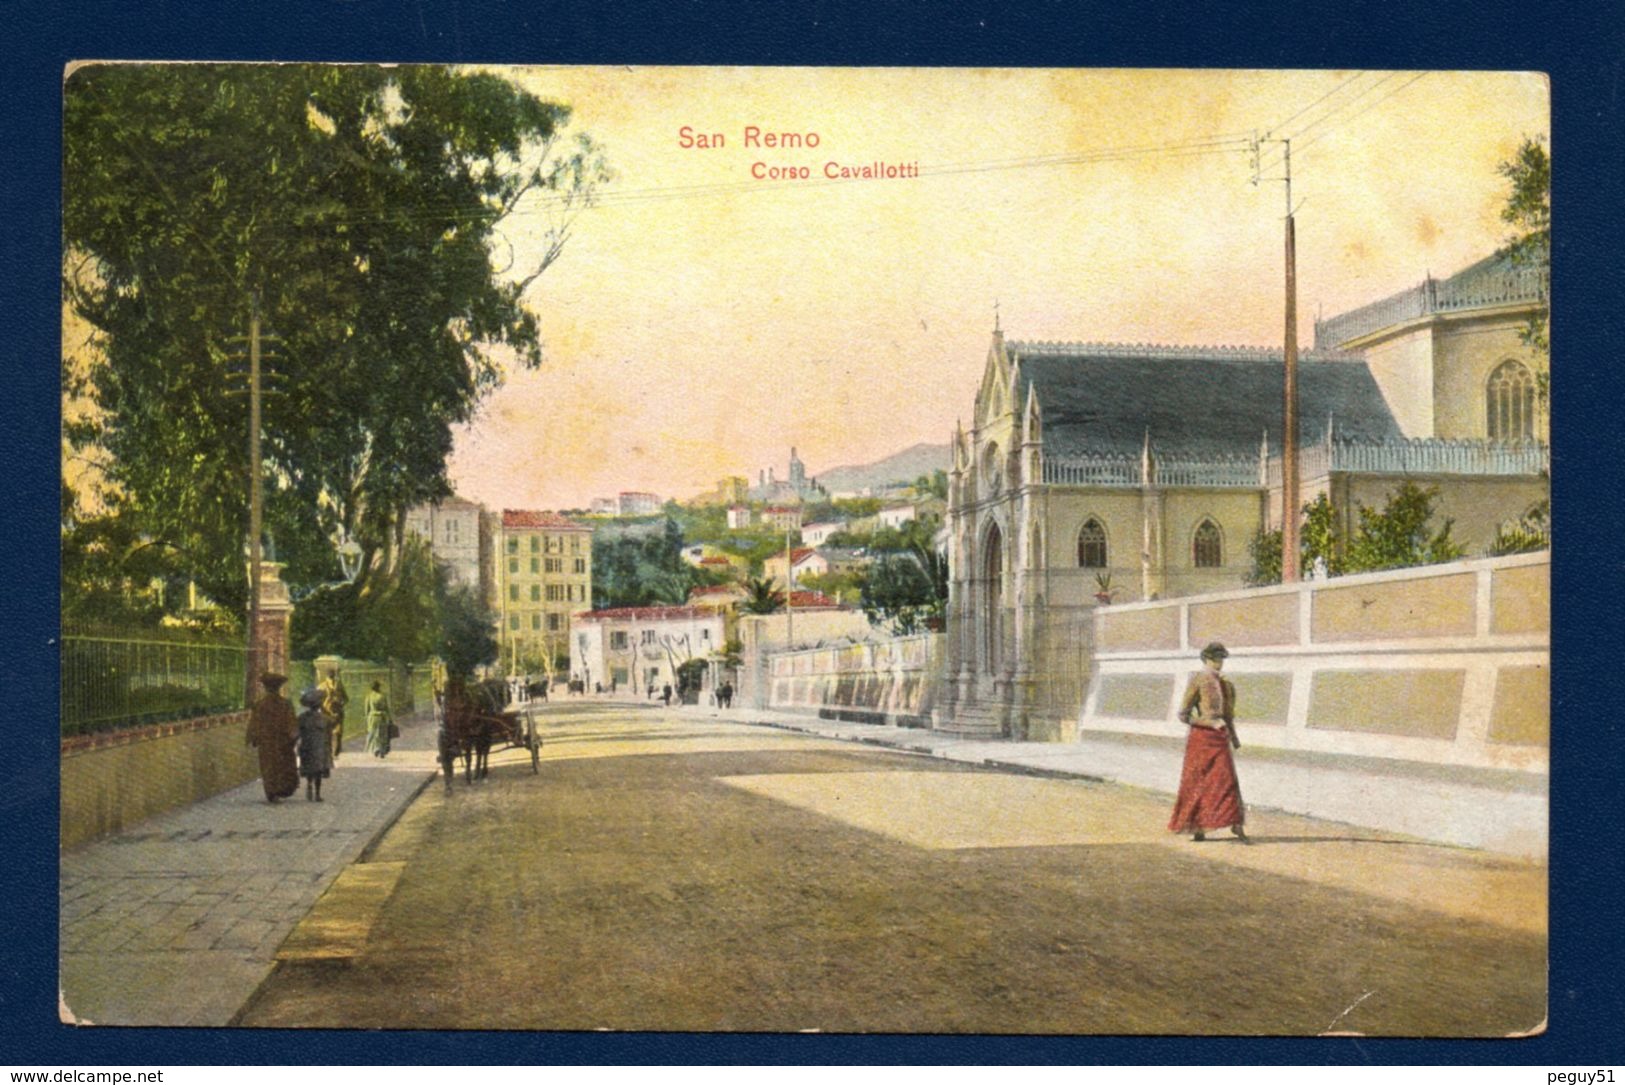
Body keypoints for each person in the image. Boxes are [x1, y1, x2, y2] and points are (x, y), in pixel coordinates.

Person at [1168, 642, 1247, 843]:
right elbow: (1183, 715)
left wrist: (1234, 737)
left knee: (1226, 780)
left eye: (1221, 659)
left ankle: (1236, 824)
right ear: (1206, 660)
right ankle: (1198, 828)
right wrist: (1209, 723)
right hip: (1201, 739)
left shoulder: (1226, 684)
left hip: (1220, 738)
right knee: (1199, 782)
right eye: (1215, 659)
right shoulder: (1198, 680)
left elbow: (1228, 715)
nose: (1219, 663)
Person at [246, 673, 299, 803]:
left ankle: (271, 791)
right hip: (282, 742)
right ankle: (279, 790)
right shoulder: (285, 704)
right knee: (282, 765)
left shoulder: (260, 705)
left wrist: (253, 738)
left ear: (265, 688)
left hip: (267, 742)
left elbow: (254, 723)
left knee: (268, 766)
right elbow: (291, 723)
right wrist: (293, 737)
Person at [296, 687, 333, 802]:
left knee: (309, 769)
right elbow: (331, 726)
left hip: (307, 747)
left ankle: (309, 784)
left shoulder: (302, 718)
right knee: (318, 771)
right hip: (319, 748)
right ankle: (317, 793)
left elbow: (297, 732)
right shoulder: (323, 718)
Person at [319, 668, 350, 760]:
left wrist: (341, 704)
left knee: (338, 732)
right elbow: (319, 701)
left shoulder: (339, 685)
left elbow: (346, 698)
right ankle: (328, 752)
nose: (332, 676)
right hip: (327, 712)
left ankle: (337, 750)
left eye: (333, 674)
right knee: (327, 733)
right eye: (330, 674)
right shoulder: (322, 686)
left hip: (338, 712)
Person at [364, 679, 394, 758]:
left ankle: (375, 748)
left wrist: (367, 719)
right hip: (382, 716)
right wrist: (390, 719)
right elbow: (387, 708)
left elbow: (367, 710)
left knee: (373, 734)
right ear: (378, 687)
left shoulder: (369, 696)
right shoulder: (383, 696)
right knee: (382, 734)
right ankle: (382, 750)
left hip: (372, 717)